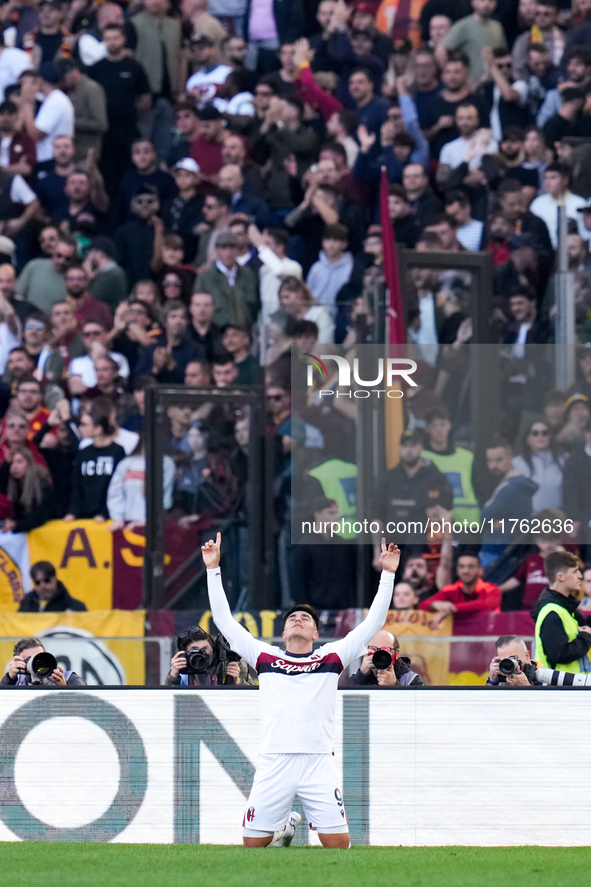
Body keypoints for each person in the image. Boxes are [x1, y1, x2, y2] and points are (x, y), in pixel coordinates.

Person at [201, 532, 400, 848]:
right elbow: (225, 623)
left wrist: (387, 574)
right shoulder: (266, 655)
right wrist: (214, 568)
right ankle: (283, 829)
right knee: (253, 845)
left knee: (338, 844)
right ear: (283, 631)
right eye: (292, 617)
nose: (297, 620)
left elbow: (373, 623)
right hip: (274, 760)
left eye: (305, 618)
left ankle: (287, 825)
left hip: (317, 761)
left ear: (315, 632)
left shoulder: (332, 655)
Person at [64, 400, 126, 521]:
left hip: (109, 516)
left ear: (98, 429)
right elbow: (76, 485)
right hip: (83, 515)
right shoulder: (83, 452)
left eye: (84, 425)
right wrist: (73, 512)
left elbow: (118, 486)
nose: (80, 428)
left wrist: (105, 513)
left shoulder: (118, 451)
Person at [532, 550, 591, 673]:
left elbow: (585, 626)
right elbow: (559, 654)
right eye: (575, 571)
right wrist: (585, 637)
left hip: (570, 687)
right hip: (560, 689)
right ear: (560, 576)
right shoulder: (552, 612)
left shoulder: (565, 608)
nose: (580, 576)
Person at [419, 551, 502, 627]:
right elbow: (422, 605)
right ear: (457, 570)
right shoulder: (450, 589)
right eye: (462, 566)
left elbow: (486, 605)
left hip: (486, 634)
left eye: (471, 566)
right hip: (458, 637)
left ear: (480, 571)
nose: (465, 571)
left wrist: (450, 609)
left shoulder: (492, 589)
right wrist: (434, 605)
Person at [165, 625, 251, 687]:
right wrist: (173, 676)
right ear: (184, 654)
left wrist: (238, 682)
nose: (202, 654)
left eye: (204, 649)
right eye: (195, 650)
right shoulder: (182, 667)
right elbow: (168, 701)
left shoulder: (229, 661)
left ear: (212, 645)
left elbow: (254, 697)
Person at [342, 630, 426, 687]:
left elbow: (422, 708)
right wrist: (361, 675)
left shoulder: (409, 679)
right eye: (373, 649)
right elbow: (344, 704)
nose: (379, 654)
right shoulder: (359, 676)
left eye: (384, 650)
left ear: (396, 654)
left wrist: (395, 685)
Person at [0, 445, 53, 532]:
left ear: (29, 463)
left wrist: (17, 525)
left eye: (19, 462)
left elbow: (40, 516)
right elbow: (2, 485)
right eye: (12, 463)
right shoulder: (15, 484)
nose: (14, 466)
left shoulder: (42, 483)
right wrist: (6, 463)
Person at [1, 636, 86, 686]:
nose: (38, 662)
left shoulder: (69, 678)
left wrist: (65, 687)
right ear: (19, 662)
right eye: (29, 659)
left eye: (40, 657)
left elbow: (90, 705)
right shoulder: (16, 683)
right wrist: (9, 678)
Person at [18, 560, 87, 612]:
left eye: (47, 580)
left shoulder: (76, 608)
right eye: (37, 582)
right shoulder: (25, 607)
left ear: (55, 579)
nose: (42, 586)